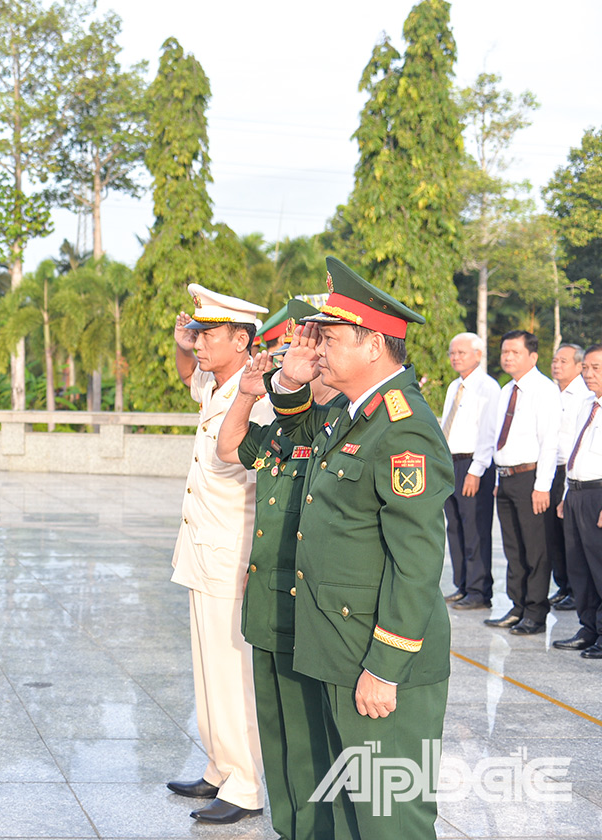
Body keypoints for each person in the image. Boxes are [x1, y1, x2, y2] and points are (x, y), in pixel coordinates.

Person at [270, 257, 452, 840]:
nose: (317, 347)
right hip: (338, 647)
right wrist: (290, 383)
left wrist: (386, 664)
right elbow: (285, 439)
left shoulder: (403, 426)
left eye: (329, 336)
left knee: (389, 819)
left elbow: (417, 560)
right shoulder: (355, 414)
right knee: (351, 815)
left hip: (375, 657)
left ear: (374, 343)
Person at [216, 298, 336, 840]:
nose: (303, 361)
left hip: (309, 609)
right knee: (281, 739)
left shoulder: (333, 426)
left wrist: (291, 388)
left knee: (313, 740)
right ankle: (291, 829)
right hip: (268, 604)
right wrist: (246, 393)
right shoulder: (285, 431)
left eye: (313, 353)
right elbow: (228, 445)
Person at [166, 283, 273, 825]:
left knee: (231, 673)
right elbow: (188, 373)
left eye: (208, 334)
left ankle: (246, 784)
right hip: (204, 545)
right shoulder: (217, 383)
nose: (198, 342)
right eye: (198, 332)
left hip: (232, 551)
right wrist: (184, 342)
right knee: (206, 667)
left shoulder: (258, 397)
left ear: (241, 338)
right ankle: (218, 766)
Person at [483, 331, 561, 636]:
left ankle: (535, 612)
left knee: (536, 549)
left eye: (515, 352)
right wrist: (498, 475)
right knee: (513, 548)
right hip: (505, 479)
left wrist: (542, 485)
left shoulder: (544, 390)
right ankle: (517, 606)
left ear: (533, 356)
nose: (507, 357)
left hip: (532, 480)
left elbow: (550, 442)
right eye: (504, 352)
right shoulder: (506, 390)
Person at [440, 333, 500, 611]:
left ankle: (479, 590)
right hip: (450, 462)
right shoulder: (455, 386)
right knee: (455, 527)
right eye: (453, 353)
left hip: (474, 464)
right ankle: (462, 584)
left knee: (475, 528)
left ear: (478, 354)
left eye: (462, 353)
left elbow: (488, 434)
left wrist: (476, 471)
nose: (455, 357)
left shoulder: (488, 387)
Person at [557, 345, 602, 657]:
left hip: (598, 495)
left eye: (596, 368)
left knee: (600, 568)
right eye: (585, 367)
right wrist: (564, 495)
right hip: (575, 492)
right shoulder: (587, 404)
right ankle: (588, 628)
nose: (588, 374)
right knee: (579, 567)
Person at [547, 343, 588, 610]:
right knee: (552, 534)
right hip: (550, 469)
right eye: (555, 360)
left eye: (563, 361)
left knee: (571, 535)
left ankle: (576, 590)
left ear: (578, 366)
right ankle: (562, 585)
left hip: (570, 471)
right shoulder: (551, 393)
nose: (557, 365)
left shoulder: (584, 396)